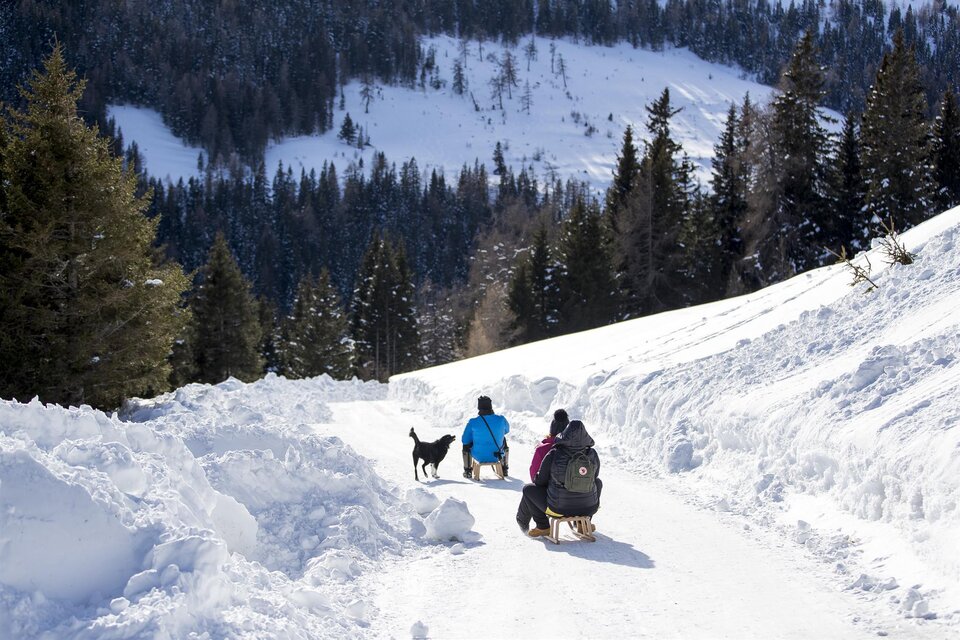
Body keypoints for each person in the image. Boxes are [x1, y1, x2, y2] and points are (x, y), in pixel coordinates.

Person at [516, 419, 602, 537]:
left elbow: (541, 481)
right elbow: (595, 477)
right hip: (588, 507)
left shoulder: (554, 453)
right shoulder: (592, 454)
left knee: (528, 489)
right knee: (598, 482)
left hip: (558, 508)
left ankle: (543, 526)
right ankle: (583, 524)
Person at [461, 395, 510, 478]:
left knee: (466, 445)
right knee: (503, 439)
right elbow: (506, 431)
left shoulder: (473, 422)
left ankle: (468, 471)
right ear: (491, 406)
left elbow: (464, 440)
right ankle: (504, 468)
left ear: (479, 407)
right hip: (497, 455)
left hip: (478, 455)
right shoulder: (501, 419)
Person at [529, 408, 569, 481]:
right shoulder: (579, 448)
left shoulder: (542, 449)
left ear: (552, 429)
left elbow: (533, 475)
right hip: (576, 489)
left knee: (527, 489)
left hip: (549, 491)